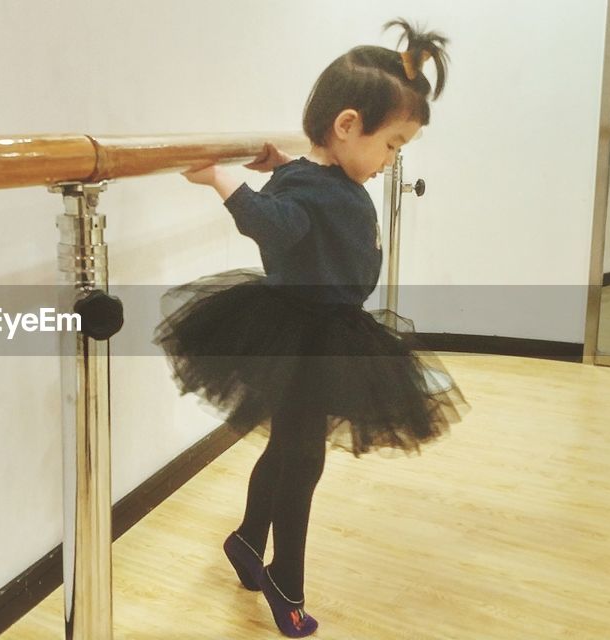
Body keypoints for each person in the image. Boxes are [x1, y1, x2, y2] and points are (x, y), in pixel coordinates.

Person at [154, 19, 466, 638]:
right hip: (305, 335)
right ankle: (285, 582)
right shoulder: (317, 186)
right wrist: (220, 176)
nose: (392, 160)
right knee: (302, 459)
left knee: (292, 450)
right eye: (393, 144)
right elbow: (274, 224)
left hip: (327, 330)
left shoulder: (322, 176)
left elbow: (304, 190)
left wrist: (283, 161)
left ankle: (247, 542)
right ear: (347, 126)